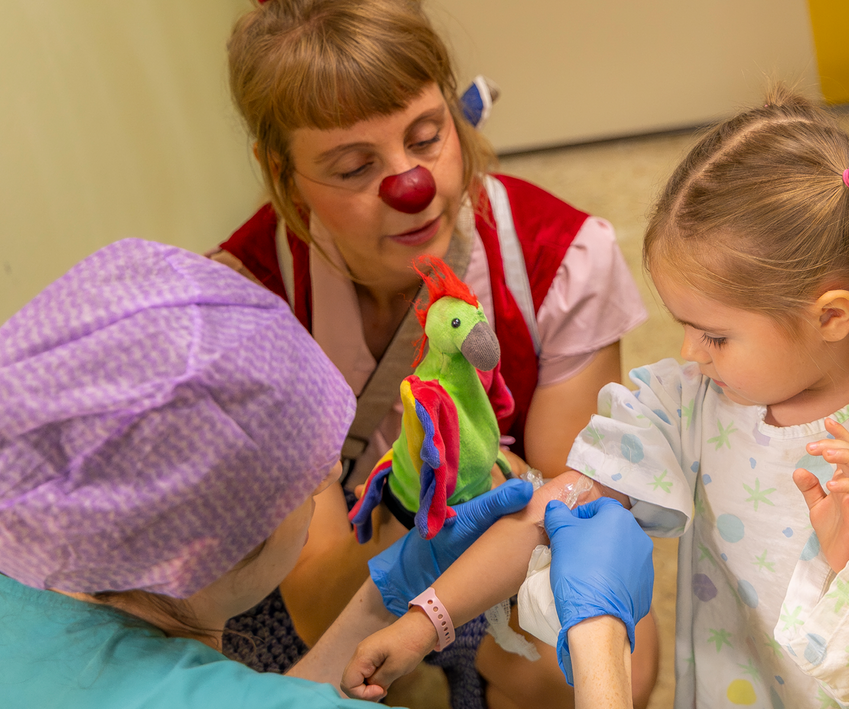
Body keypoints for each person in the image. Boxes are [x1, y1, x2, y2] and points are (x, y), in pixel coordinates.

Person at [343, 89, 849, 709]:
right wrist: (424, 623)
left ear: (830, 315)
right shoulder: (687, 401)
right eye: (684, 325)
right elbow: (553, 508)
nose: (688, 351)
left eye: (714, 333)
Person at [0, 239, 652, 709]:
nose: (334, 482)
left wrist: (383, 602)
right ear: (208, 547)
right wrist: (598, 646)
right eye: (316, 482)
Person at [208, 2, 656, 705]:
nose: (412, 187)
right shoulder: (249, 299)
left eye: (427, 135)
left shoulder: (559, 260)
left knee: (572, 664)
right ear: (281, 172)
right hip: (351, 584)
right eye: (355, 167)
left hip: (504, 566)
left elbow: (575, 522)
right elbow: (321, 605)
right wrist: (410, 498)